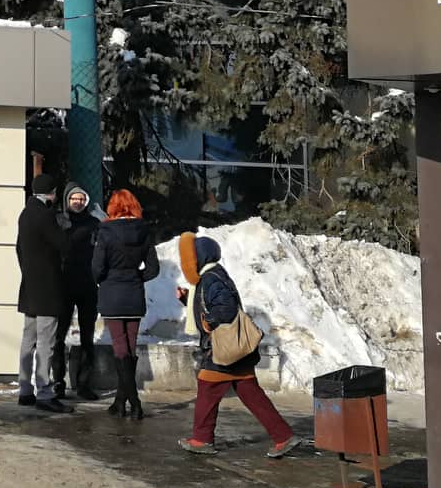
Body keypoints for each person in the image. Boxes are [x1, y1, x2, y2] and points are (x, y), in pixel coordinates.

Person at [176, 232, 301, 457]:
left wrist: (209, 322)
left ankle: (202, 439)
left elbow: (225, 309)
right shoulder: (213, 275)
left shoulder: (211, 279)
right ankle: (284, 436)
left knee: (207, 388)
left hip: (223, 349)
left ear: (200, 257)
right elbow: (211, 304)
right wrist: (188, 299)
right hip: (236, 350)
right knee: (251, 393)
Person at [90, 189, 159, 418]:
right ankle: (121, 402)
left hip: (112, 293)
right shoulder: (144, 231)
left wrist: (105, 279)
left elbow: (97, 268)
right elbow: (153, 269)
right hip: (134, 293)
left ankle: (135, 403)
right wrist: (135, 278)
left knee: (120, 347)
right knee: (130, 346)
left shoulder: (106, 232)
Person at [15, 173, 69, 412]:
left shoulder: (25, 215)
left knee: (28, 340)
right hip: (48, 289)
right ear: (50, 193)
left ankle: (25, 390)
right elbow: (63, 244)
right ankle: (45, 393)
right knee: (46, 342)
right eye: (55, 192)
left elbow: (19, 248)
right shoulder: (46, 216)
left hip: (29, 287)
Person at [55, 183, 101, 401]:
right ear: (66, 200)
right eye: (74, 198)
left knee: (87, 337)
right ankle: (58, 383)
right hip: (63, 285)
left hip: (87, 285)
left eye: (82, 199)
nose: (78, 202)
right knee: (58, 336)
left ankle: (84, 384)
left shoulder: (94, 224)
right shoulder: (58, 221)